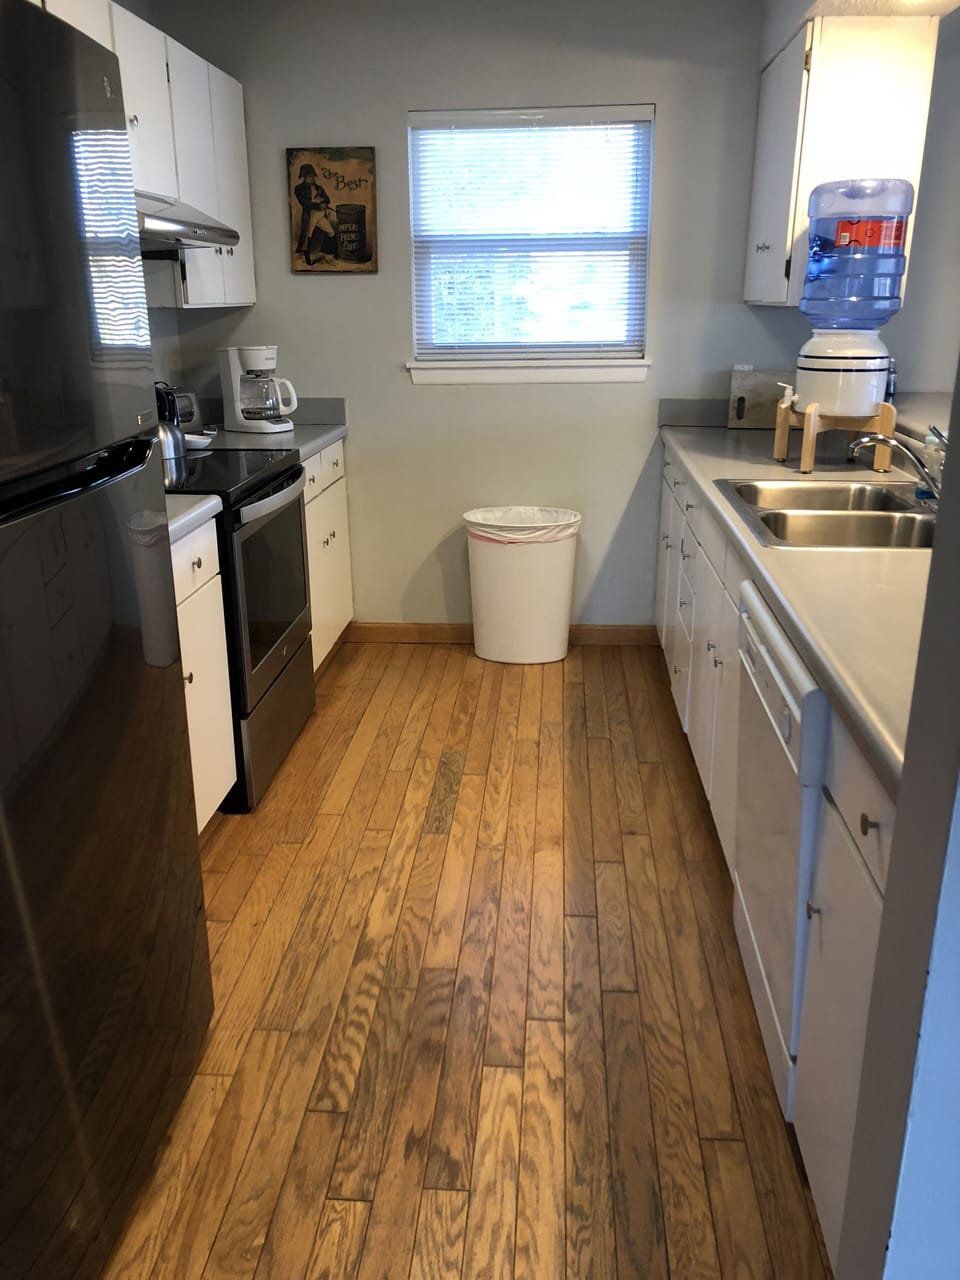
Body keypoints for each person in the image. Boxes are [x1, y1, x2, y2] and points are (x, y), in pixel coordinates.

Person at [294, 163, 337, 265]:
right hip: (311, 215)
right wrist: (318, 206)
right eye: (309, 176)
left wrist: (322, 200)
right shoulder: (299, 188)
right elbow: (304, 203)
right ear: (304, 177)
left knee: (331, 232)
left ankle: (326, 252)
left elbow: (327, 199)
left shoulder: (319, 188)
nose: (312, 178)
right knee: (308, 236)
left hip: (320, 215)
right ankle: (308, 258)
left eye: (312, 175)